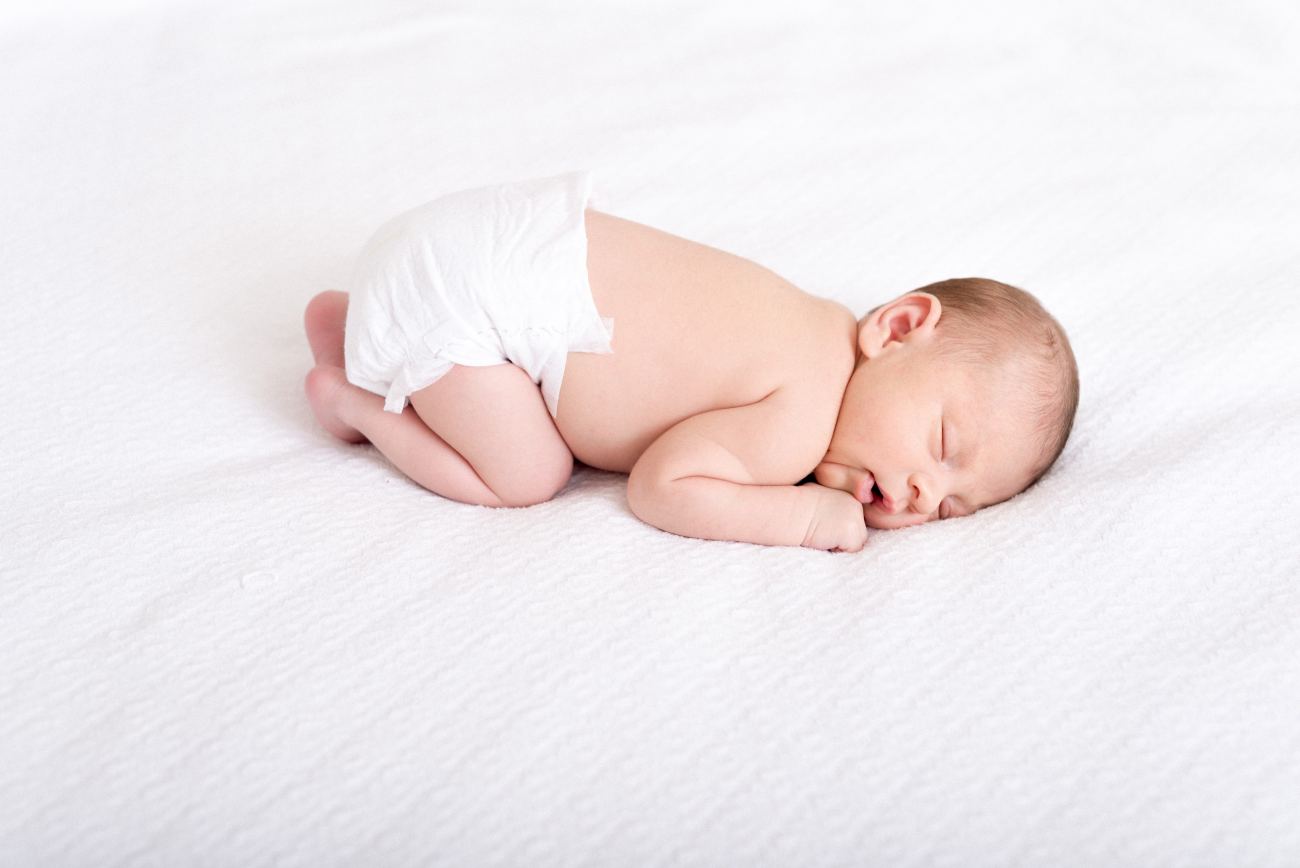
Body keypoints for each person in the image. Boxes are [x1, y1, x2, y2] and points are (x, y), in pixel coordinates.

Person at [303, 171, 1078, 552]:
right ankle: (359, 401)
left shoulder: (806, 322)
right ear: (899, 326)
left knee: (508, 399)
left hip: (475, 241)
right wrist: (806, 517)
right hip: (466, 295)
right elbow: (662, 487)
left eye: (948, 507)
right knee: (526, 475)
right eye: (944, 447)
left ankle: (361, 320)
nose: (920, 491)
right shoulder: (801, 416)